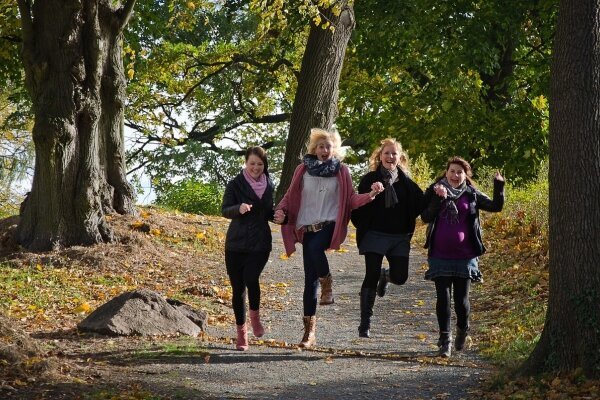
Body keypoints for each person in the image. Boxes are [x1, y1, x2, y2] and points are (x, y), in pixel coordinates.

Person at [273, 128, 384, 348]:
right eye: (321, 146)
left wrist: (371, 195)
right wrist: (281, 210)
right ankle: (309, 333)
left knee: (315, 248)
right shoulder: (303, 169)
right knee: (309, 281)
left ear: (334, 150)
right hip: (307, 227)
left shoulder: (341, 171)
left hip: (328, 225)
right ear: (315, 149)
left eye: (328, 146)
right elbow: (290, 195)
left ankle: (328, 284)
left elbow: (350, 199)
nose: (324, 150)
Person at [421, 156, 504, 358]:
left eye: (460, 172)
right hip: (439, 254)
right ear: (446, 172)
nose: (455, 175)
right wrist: (438, 198)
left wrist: (499, 185)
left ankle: (462, 328)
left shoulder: (471, 193)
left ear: (465, 175)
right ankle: (445, 340)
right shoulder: (435, 190)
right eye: (452, 171)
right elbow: (425, 217)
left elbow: (496, 206)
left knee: (461, 300)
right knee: (443, 298)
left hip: (465, 256)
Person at [350, 138, 424, 338]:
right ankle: (365, 323)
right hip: (374, 235)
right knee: (371, 274)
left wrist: (440, 193)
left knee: (400, 277)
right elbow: (357, 204)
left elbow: (422, 204)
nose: (390, 157)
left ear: (400, 158)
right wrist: (372, 193)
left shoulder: (407, 184)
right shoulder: (369, 179)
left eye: (394, 154)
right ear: (379, 156)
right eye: (387, 153)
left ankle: (386, 276)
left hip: (399, 237)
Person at [222, 146, 278, 351]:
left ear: (265, 165)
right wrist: (238, 208)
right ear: (246, 163)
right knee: (238, 289)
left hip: (260, 243)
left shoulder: (269, 184)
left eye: (260, 164)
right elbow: (224, 210)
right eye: (252, 163)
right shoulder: (235, 184)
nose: (256, 167)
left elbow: (268, 212)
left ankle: (255, 318)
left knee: (251, 278)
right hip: (236, 244)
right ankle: (242, 333)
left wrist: (280, 217)